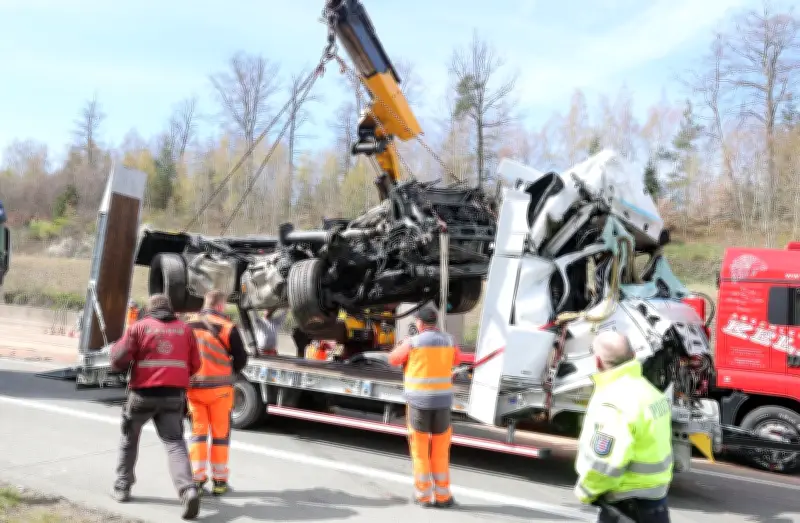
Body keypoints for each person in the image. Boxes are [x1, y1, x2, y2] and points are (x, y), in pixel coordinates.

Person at [109, 294, 202, 520]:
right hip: (173, 396)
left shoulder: (139, 327)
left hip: (142, 395)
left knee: (129, 438)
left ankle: (122, 486)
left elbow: (118, 359)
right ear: (170, 309)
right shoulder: (185, 330)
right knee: (175, 443)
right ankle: (188, 490)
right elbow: (196, 364)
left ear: (149, 310)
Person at [574, 330, 673, 523]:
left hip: (626, 506)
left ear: (597, 361)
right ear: (634, 355)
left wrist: (586, 491)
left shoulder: (614, 401)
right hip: (656, 501)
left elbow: (607, 462)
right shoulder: (651, 393)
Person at [387, 305, 462, 509]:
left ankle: (423, 496)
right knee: (440, 451)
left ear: (420, 323)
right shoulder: (449, 341)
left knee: (420, 451)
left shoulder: (413, 342)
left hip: (419, 403)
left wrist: (402, 344)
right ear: (434, 322)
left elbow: (393, 359)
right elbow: (457, 360)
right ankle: (443, 497)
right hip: (443, 404)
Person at [185, 290, 249, 496]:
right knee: (220, 436)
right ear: (220, 306)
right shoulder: (228, 327)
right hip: (221, 391)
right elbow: (241, 359)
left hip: (194, 389)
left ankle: (197, 479)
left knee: (198, 434)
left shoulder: (188, 325)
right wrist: (230, 371)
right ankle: (220, 481)